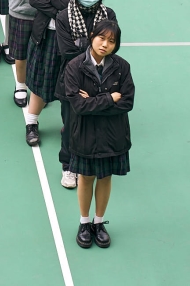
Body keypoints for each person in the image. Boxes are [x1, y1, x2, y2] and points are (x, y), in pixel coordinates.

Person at [25, 0, 97, 146]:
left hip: (74, 40)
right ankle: (31, 123)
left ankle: (70, 125)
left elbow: (84, 4)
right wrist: (61, 8)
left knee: (72, 86)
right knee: (40, 82)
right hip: (45, 34)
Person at [65, 20, 133, 249]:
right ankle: (84, 223)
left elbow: (127, 103)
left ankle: (99, 222)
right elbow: (78, 106)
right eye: (101, 38)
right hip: (85, 135)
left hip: (113, 135)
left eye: (111, 41)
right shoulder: (74, 67)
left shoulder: (122, 67)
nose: (105, 44)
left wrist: (93, 102)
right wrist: (109, 99)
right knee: (85, 178)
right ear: (92, 36)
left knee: (105, 177)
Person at [56, 0, 117, 189]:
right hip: (72, 81)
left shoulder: (108, 15)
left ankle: (91, 163)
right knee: (71, 126)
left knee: (97, 125)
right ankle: (68, 165)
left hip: (102, 80)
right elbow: (67, 52)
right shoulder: (64, 17)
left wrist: (82, 44)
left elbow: (112, 46)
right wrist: (94, 48)